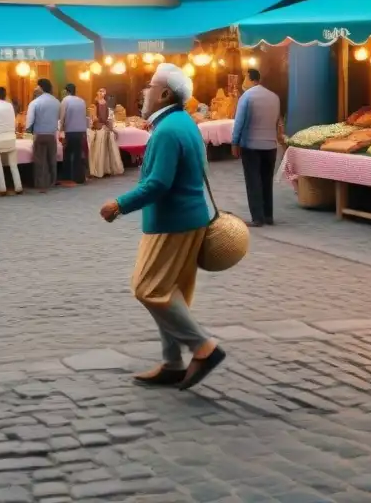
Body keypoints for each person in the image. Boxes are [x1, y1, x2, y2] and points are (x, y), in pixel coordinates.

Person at [100, 64, 224, 391]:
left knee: (148, 288)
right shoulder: (182, 123)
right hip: (188, 217)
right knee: (170, 293)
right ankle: (172, 362)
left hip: (172, 221)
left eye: (150, 86)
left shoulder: (169, 129)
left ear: (165, 93)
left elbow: (157, 183)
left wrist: (119, 204)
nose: (145, 91)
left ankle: (202, 347)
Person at [231, 69, 282, 228]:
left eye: (245, 77)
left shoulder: (247, 96)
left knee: (253, 181)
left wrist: (234, 142)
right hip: (270, 146)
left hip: (251, 145)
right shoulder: (274, 97)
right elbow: (276, 122)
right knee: (267, 180)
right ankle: (268, 215)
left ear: (250, 79)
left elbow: (239, 121)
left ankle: (257, 218)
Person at [26, 78, 61, 192]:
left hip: (39, 134)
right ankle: (52, 181)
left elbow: (30, 120)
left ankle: (41, 184)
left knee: (40, 160)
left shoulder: (35, 102)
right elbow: (58, 118)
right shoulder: (56, 101)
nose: (35, 88)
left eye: (37, 86)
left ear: (41, 87)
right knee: (52, 159)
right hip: (52, 134)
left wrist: (29, 130)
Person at [88, 87, 124, 178]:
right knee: (100, 147)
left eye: (103, 91)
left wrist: (108, 126)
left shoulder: (104, 103)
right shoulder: (95, 103)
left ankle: (105, 169)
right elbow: (94, 117)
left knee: (104, 148)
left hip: (103, 127)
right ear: (97, 92)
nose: (101, 93)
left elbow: (104, 117)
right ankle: (100, 169)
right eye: (100, 91)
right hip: (100, 127)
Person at [59, 83, 87, 186]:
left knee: (67, 154)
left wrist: (60, 130)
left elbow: (62, 117)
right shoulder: (82, 101)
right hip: (81, 131)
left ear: (66, 91)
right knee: (78, 154)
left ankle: (67, 176)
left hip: (70, 131)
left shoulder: (65, 100)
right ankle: (79, 177)